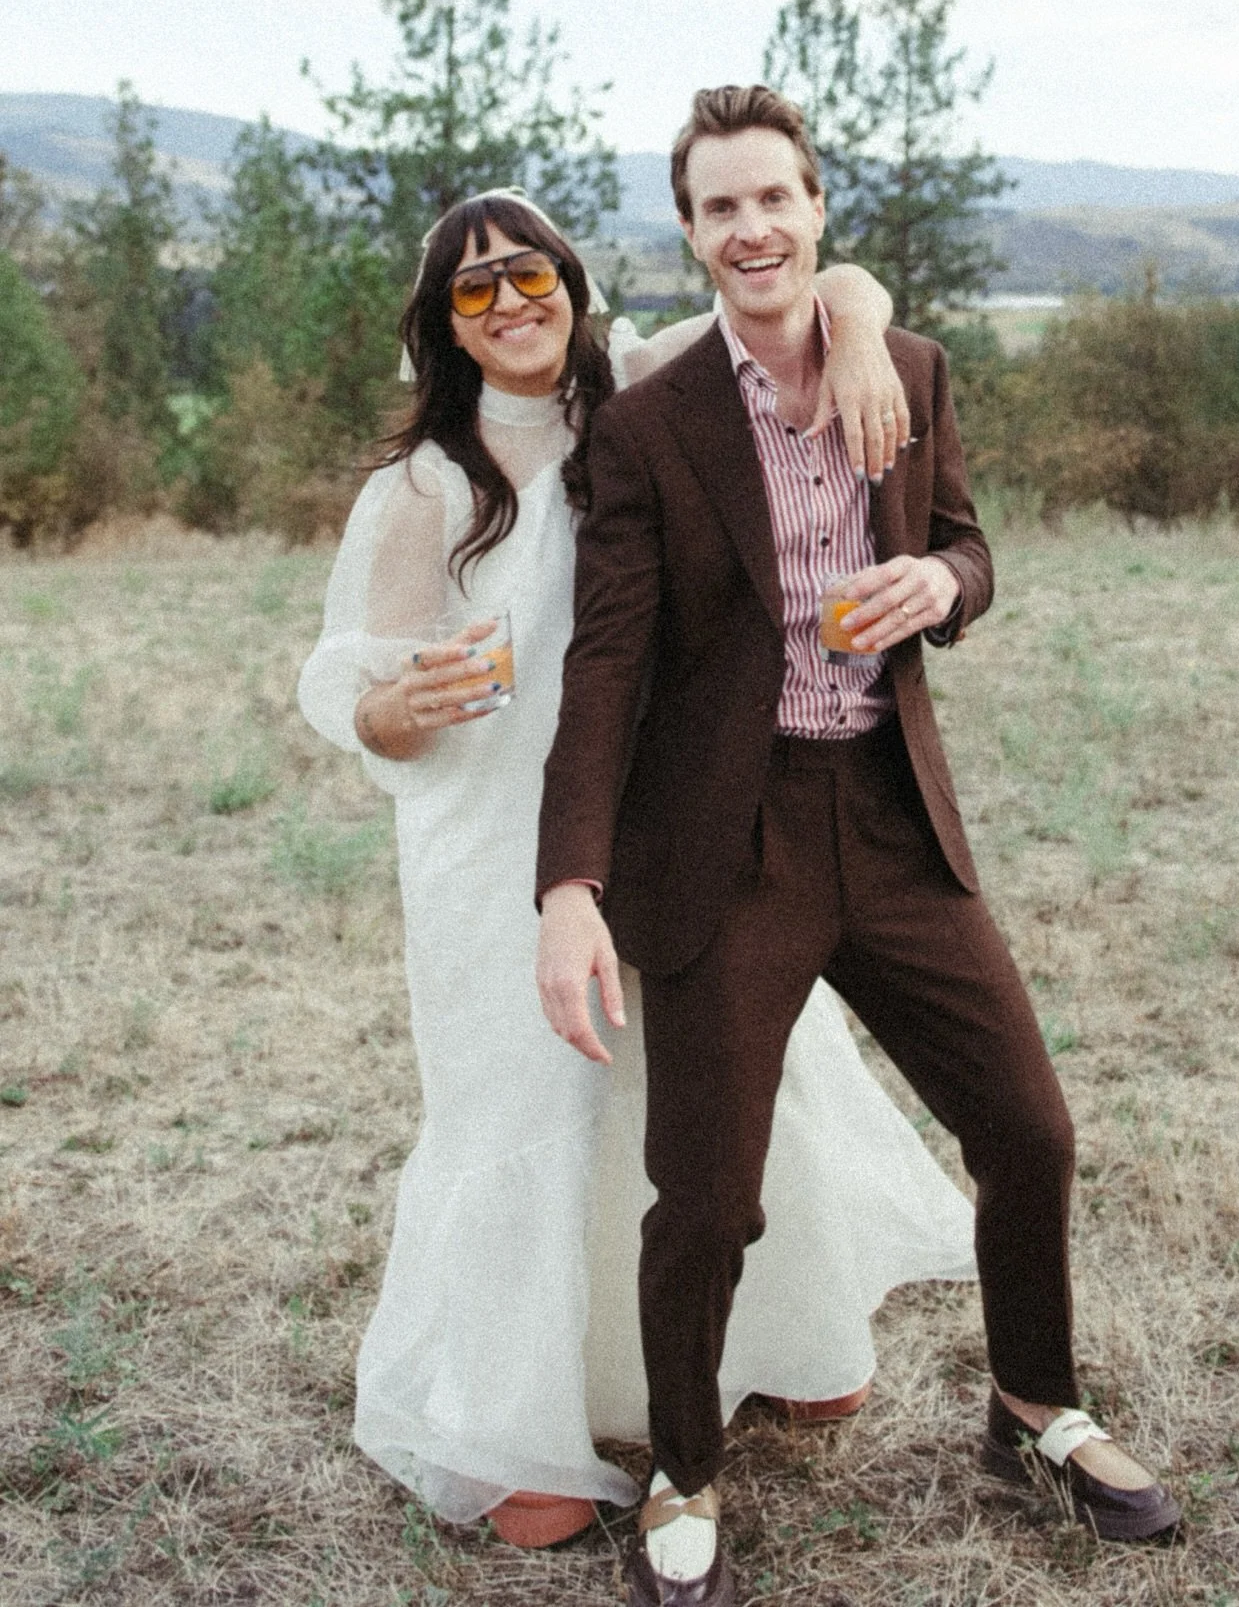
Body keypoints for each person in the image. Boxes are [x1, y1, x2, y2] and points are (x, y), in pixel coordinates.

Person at [534, 88, 1182, 1605]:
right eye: (719, 208)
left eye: (776, 199)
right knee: (706, 1197)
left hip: (893, 819)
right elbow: (607, 663)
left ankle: (1032, 1409)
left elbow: (970, 543)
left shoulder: (913, 370)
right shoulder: (647, 426)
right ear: (690, 233)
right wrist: (570, 884)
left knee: (1029, 1131)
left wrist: (940, 588)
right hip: (728, 842)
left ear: (817, 209)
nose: (752, 227)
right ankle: (684, 1467)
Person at [297, 187, 980, 1552]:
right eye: (473, 290)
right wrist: (401, 708)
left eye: (529, 273)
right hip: (494, 840)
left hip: (667, 809)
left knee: (713, 1076)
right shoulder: (426, 485)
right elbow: (351, 690)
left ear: (574, 279)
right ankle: (517, 1425)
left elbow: (821, 284)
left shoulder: (648, 390)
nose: (510, 304)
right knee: (536, 1095)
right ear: (442, 323)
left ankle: (776, 1341)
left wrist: (851, 331)